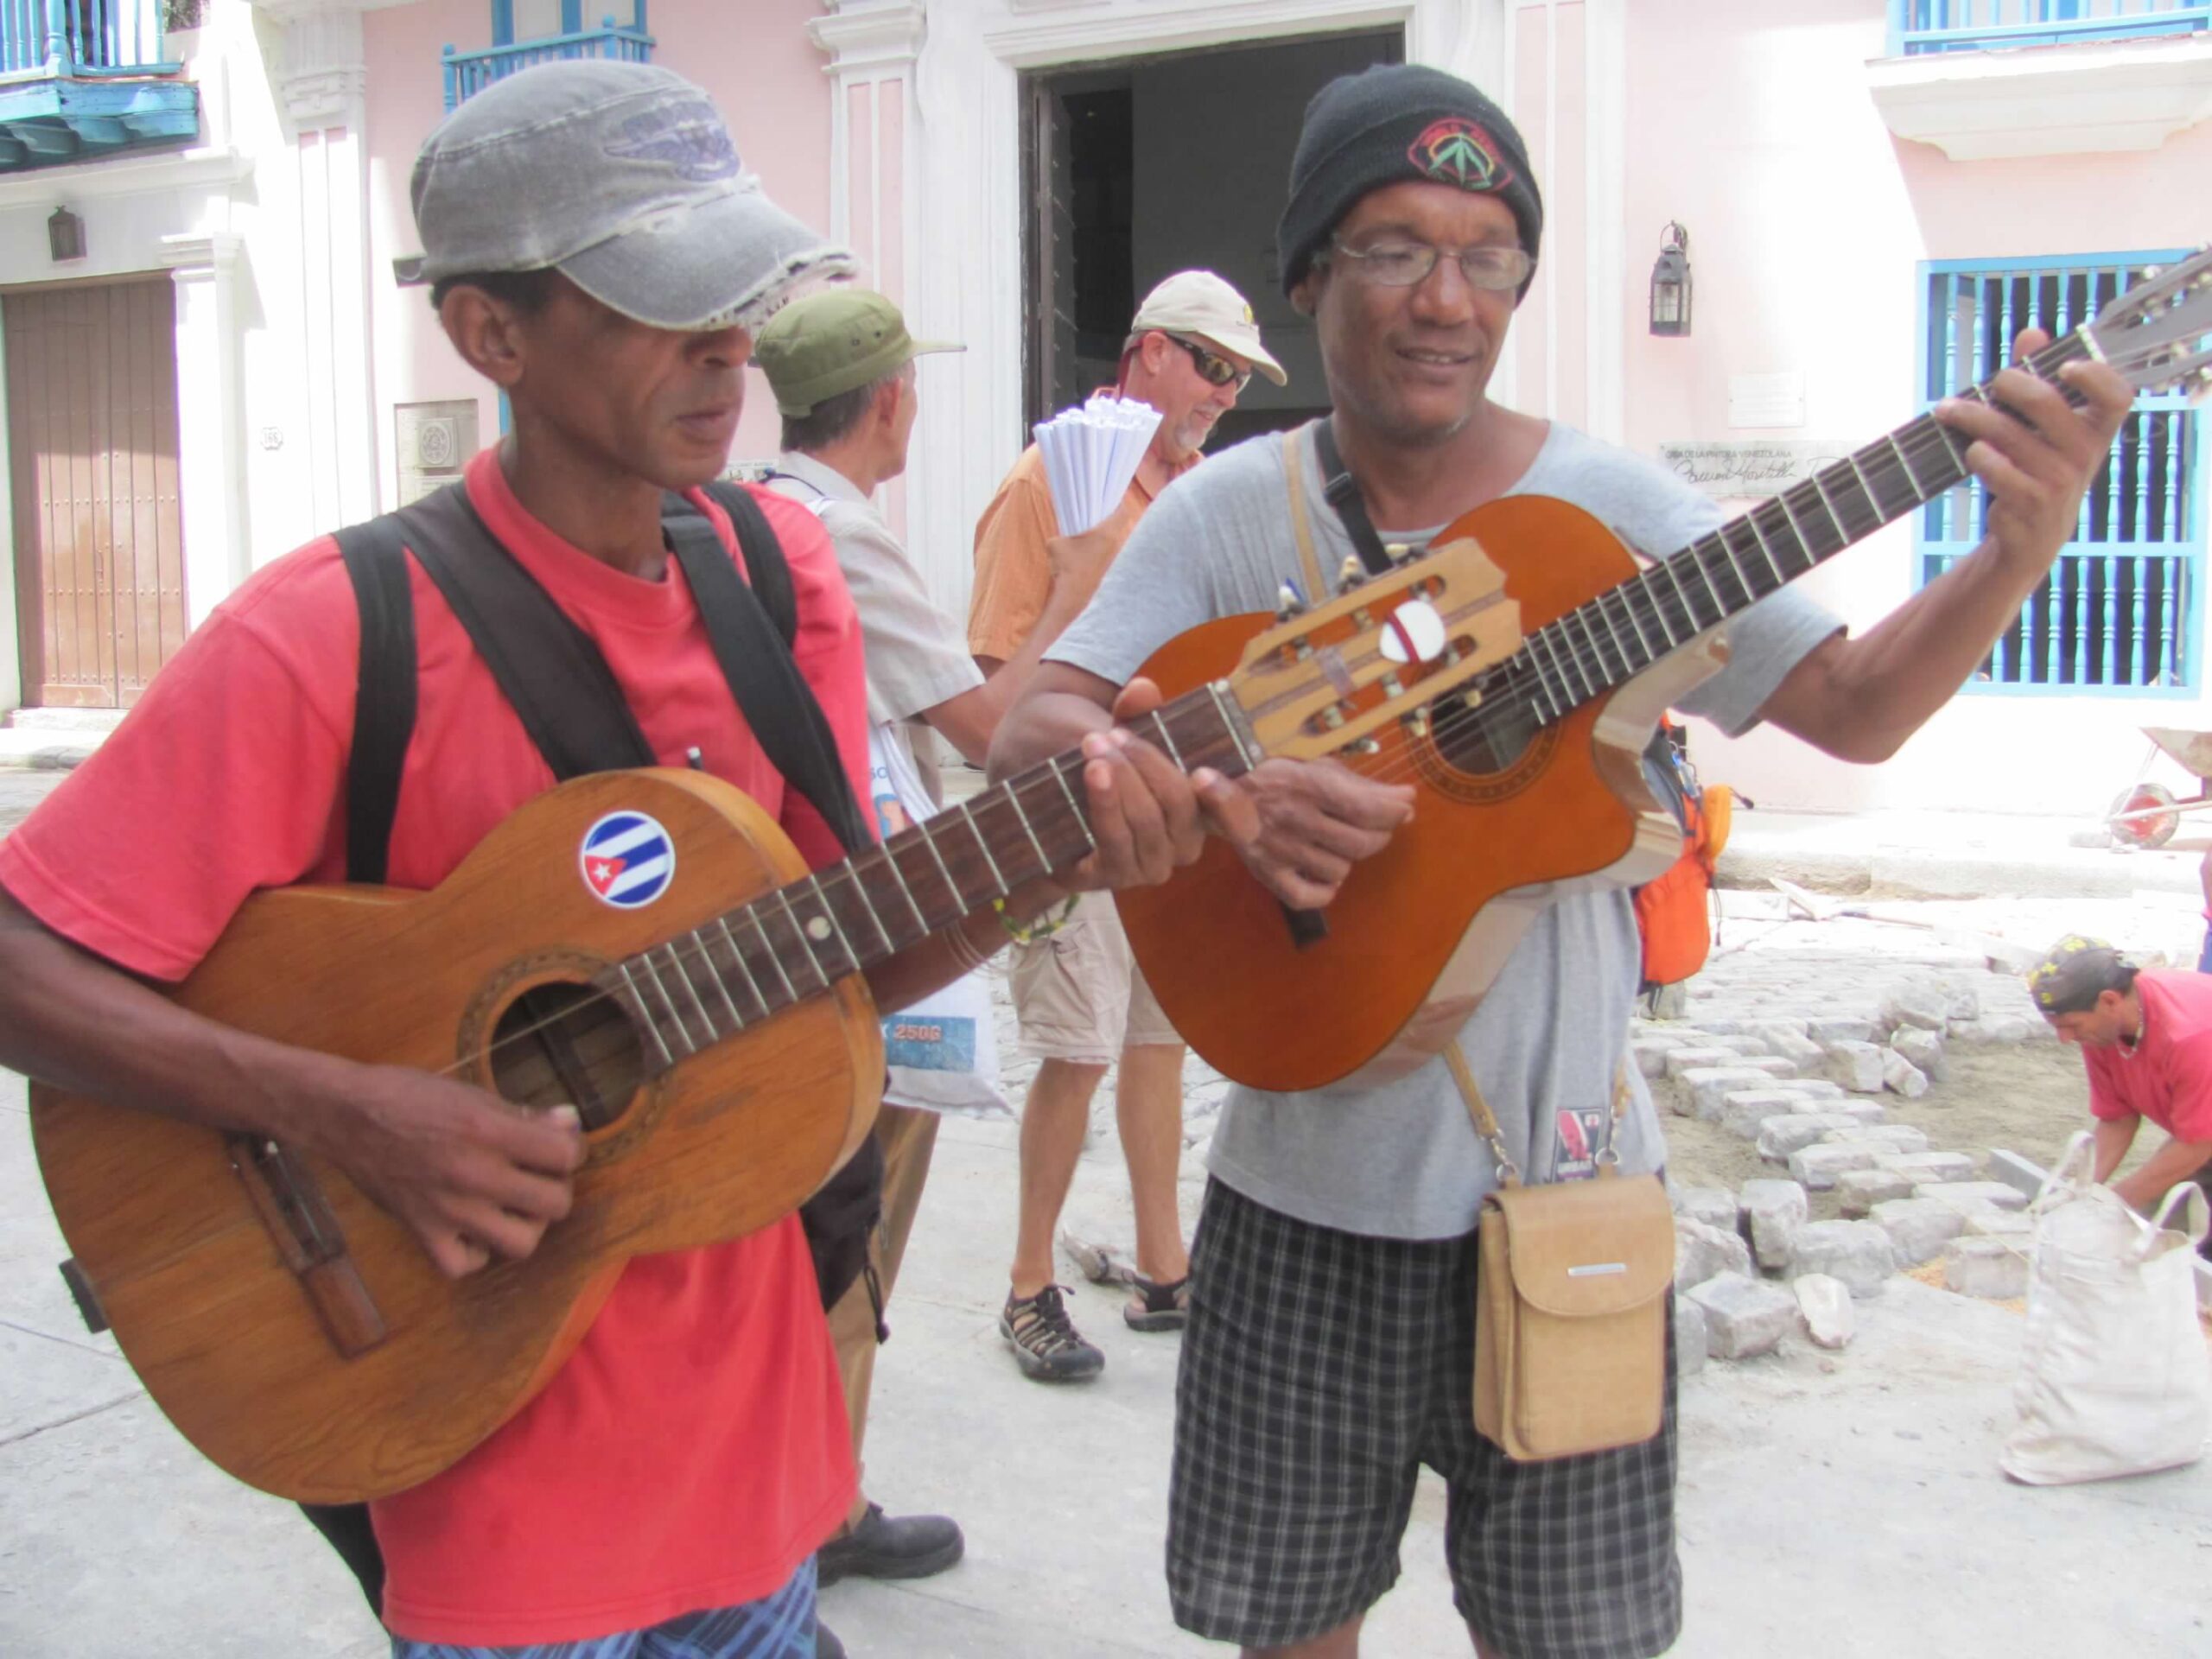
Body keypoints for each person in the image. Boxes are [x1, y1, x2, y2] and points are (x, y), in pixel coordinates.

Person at [0, 62, 1196, 1659]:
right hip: (498, 1488)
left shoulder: (782, 578)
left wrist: (1063, 856)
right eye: (661, 304)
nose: (729, 349)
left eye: (741, 299)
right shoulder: (331, 635)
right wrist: (342, 1105)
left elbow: (842, 958)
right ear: (491, 336)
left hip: (759, 1465)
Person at [990, 60, 2132, 1659]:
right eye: (1393, 248)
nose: (1446, 299)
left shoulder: (1606, 510)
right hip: (1300, 1206)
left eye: (1489, 257)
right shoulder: (1232, 514)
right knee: (1289, 1632)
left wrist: (2015, 551)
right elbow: (1027, 723)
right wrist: (1204, 786)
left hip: (1571, 1208)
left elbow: (1856, 709)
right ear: (1310, 269)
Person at [751, 286, 1134, 1590]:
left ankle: (807, 1497)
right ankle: (814, 1512)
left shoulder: (754, 503)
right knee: (852, 1226)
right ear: (892, 399)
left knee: (815, 1224)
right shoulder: (838, 534)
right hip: (870, 922)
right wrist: (1075, 589)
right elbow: (986, 727)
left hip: (792, 907)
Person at [965, 270, 1287, 1381]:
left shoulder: (1194, 494)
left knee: (1159, 1038)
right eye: (1209, 364)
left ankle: (1165, 1267)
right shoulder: (1048, 486)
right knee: (1078, 1048)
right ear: (1147, 352)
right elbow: (989, 688)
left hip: (1180, 799)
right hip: (1072, 808)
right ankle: (1025, 1286)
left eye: (1240, 377)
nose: (1223, 392)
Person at [2030, 935, 2212, 1240]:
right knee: (2139, 1235)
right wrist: (2075, 1196)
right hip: (2202, 1136)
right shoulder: (2101, 1031)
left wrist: (2112, 1205)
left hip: (2202, 1140)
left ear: (2110, 1001)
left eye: (2070, 1025)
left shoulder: (2190, 1035)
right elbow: (2118, 1119)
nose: (2065, 1038)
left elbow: (2197, 1145)